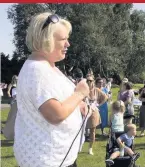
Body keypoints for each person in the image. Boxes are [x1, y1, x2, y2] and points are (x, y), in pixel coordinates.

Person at [14, 12, 90, 167]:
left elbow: (56, 100)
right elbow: (55, 114)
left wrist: (77, 105)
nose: (68, 44)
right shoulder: (38, 71)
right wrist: (79, 94)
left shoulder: (47, 67)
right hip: (48, 161)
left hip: (57, 157)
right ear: (46, 40)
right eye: (63, 39)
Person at [85, 75, 107, 155]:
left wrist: (99, 104)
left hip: (93, 112)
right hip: (84, 112)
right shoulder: (83, 90)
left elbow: (105, 97)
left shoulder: (96, 90)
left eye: (90, 81)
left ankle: (90, 148)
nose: (89, 82)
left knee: (92, 131)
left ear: (93, 81)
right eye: (87, 80)